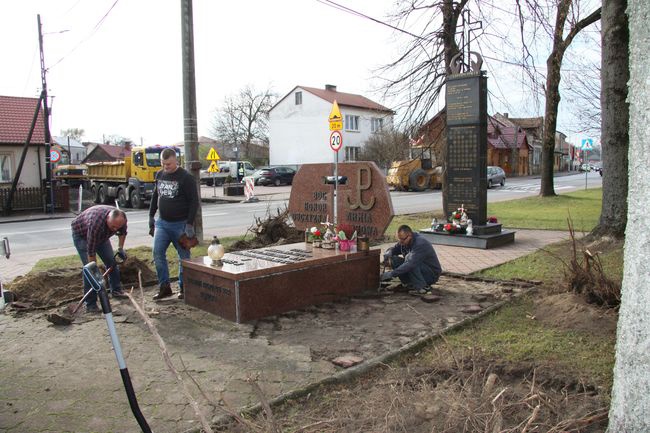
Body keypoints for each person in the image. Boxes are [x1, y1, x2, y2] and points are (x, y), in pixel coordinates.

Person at [149, 147, 199, 300]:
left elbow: (194, 202)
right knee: (157, 253)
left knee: (184, 256)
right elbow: (155, 196)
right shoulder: (159, 175)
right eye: (163, 164)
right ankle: (165, 287)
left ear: (176, 160)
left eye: (169, 164)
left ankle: (184, 287)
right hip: (162, 223)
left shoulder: (186, 178)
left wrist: (189, 225)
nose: (166, 167)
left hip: (181, 224)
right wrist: (151, 217)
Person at [71, 205, 128, 313]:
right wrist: (94, 270)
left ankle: (116, 290)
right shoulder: (96, 224)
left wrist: (120, 248)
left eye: (117, 227)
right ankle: (90, 304)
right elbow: (91, 251)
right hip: (82, 235)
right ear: (107, 219)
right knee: (89, 270)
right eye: (113, 227)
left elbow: (122, 233)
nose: (115, 229)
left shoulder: (121, 220)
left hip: (102, 237)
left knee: (112, 262)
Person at [381, 225, 442, 295]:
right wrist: (389, 252)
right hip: (418, 268)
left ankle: (423, 287)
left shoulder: (420, 243)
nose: (400, 242)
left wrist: (391, 274)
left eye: (402, 239)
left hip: (431, 274)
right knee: (394, 259)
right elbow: (395, 249)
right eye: (399, 239)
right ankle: (409, 284)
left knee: (409, 259)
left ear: (409, 235)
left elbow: (410, 263)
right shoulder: (404, 240)